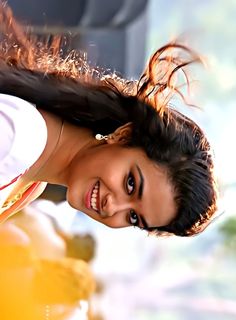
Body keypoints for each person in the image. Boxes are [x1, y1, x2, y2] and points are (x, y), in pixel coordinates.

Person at [0, 3, 218, 237]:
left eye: (134, 217)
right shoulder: (20, 138)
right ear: (123, 134)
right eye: (131, 184)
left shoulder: (31, 186)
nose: (112, 207)